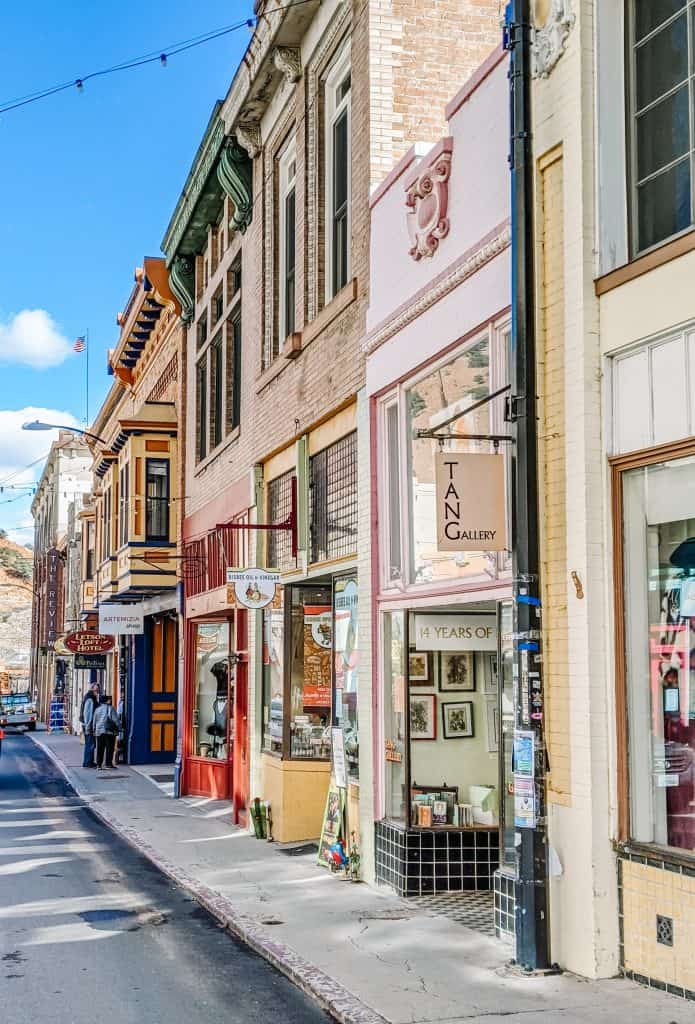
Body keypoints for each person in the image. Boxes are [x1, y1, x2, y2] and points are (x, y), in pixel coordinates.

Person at [93, 695, 121, 772]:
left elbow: (94, 721)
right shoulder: (110, 708)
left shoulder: (97, 709)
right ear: (106, 701)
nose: (110, 700)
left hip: (99, 732)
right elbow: (115, 720)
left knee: (100, 748)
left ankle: (99, 764)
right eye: (109, 699)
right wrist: (119, 727)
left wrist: (94, 730)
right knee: (109, 748)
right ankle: (108, 764)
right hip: (109, 731)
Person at [79, 682, 100, 769]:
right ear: (92, 689)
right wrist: (88, 726)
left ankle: (89, 761)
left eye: (98, 690)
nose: (98, 692)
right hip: (89, 725)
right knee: (90, 744)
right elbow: (87, 713)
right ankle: (88, 763)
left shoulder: (90, 697)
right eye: (96, 690)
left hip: (88, 725)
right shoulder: (90, 699)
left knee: (90, 743)